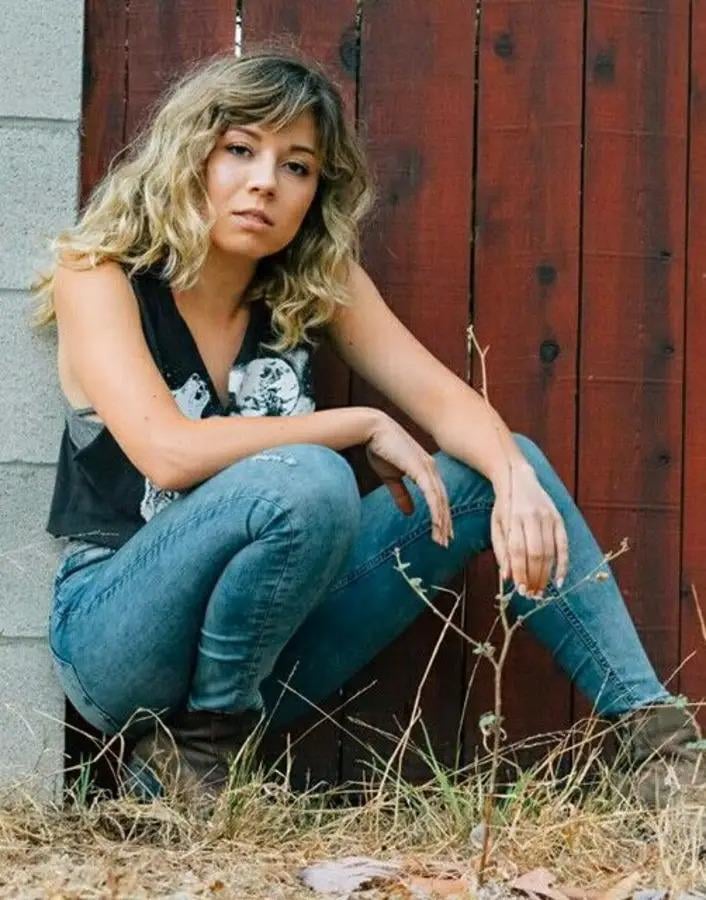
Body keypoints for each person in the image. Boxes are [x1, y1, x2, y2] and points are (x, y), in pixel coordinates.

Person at [34, 49, 702, 808]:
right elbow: (166, 452)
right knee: (313, 477)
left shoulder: (314, 283)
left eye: (296, 166)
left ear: (316, 191)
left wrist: (516, 481)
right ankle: (199, 754)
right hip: (118, 637)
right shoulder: (99, 274)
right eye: (241, 150)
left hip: (263, 654)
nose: (265, 182)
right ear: (191, 155)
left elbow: (447, 402)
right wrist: (357, 422)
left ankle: (662, 751)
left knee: (500, 462)